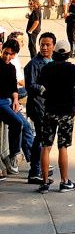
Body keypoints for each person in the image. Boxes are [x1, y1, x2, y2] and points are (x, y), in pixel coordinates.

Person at [36, 38, 75, 192]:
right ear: (68, 53)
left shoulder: (47, 68)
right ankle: (64, 181)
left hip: (50, 110)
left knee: (46, 146)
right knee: (63, 146)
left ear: (54, 51)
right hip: (67, 111)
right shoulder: (73, 69)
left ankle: (44, 182)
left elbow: (40, 83)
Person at [24, 31, 55, 184]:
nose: (44, 47)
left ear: (53, 46)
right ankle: (34, 171)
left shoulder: (52, 61)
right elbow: (30, 85)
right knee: (41, 138)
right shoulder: (34, 64)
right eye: (42, 44)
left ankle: (41, 165)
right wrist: (45, 88)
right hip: (38, 106)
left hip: (49, 106)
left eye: (47, 45)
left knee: (44, 138)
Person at [0, 38, 34, 177]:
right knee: (17, 122)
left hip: (8, 101)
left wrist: (15, 100)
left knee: (25, 125)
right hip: (1, 102)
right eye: (5, 53)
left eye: (11, 54)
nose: (7, 56)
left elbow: (13, 87)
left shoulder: (11, 67)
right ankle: (14, 154)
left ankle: (34, 160)